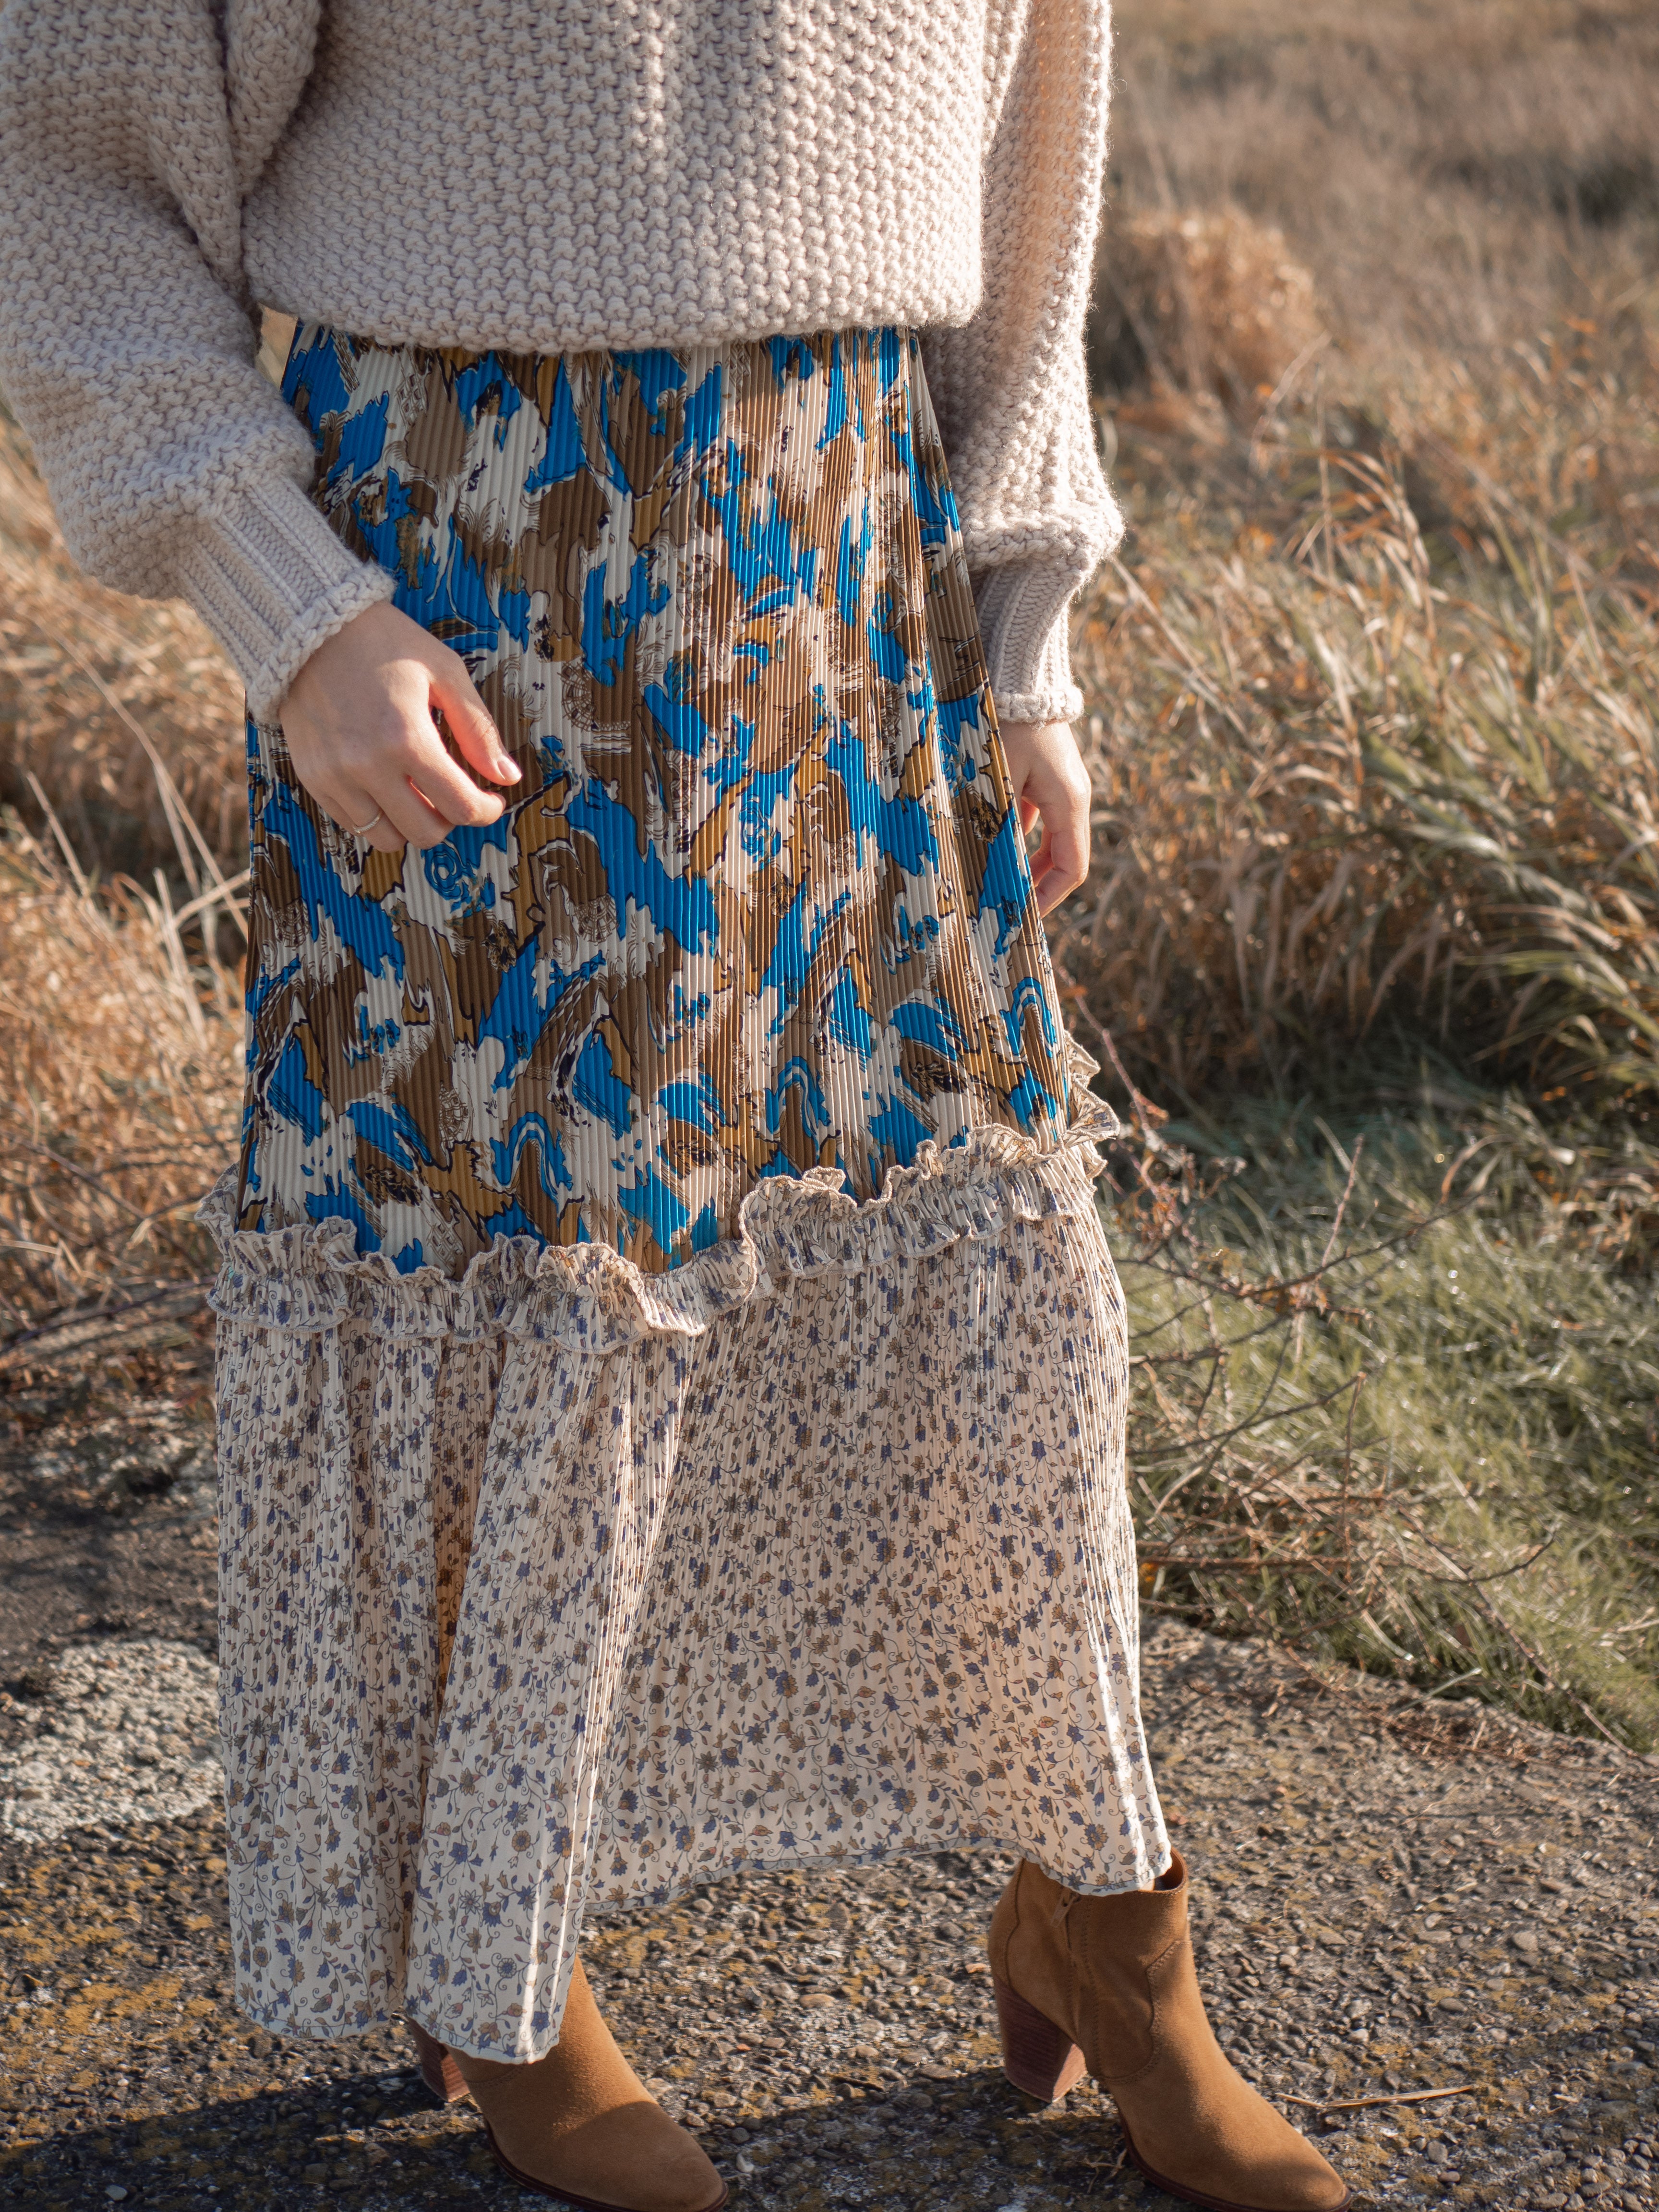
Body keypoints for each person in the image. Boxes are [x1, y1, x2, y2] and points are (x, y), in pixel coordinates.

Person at [0, 7, 1351, 2210]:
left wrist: (1026, 634)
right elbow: (63, 159)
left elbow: (1030, 154)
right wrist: (288, 606)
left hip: (857, 558)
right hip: (463, 572)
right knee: (527, 1274)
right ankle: (495, 1955)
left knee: (977, 1225)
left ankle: (1108, 1916)